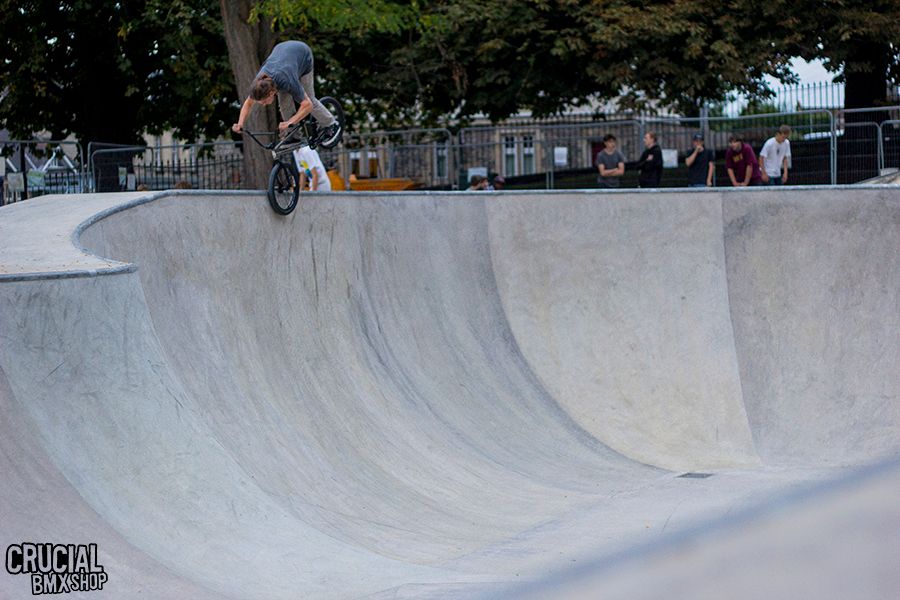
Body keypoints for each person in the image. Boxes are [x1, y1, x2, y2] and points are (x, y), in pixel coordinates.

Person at [231, 41, 341, 147]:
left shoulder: (287, 80)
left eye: (264, 101)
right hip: (283, 54)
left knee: (310, 99)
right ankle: (293, 136)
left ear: (271, 93)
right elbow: (248, 103)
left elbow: (307, 105)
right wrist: (240, 123)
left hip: (302, 54)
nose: (263, 104)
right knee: (284, 104)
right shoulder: (259, 84)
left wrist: (289, 122)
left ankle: (331, 124)